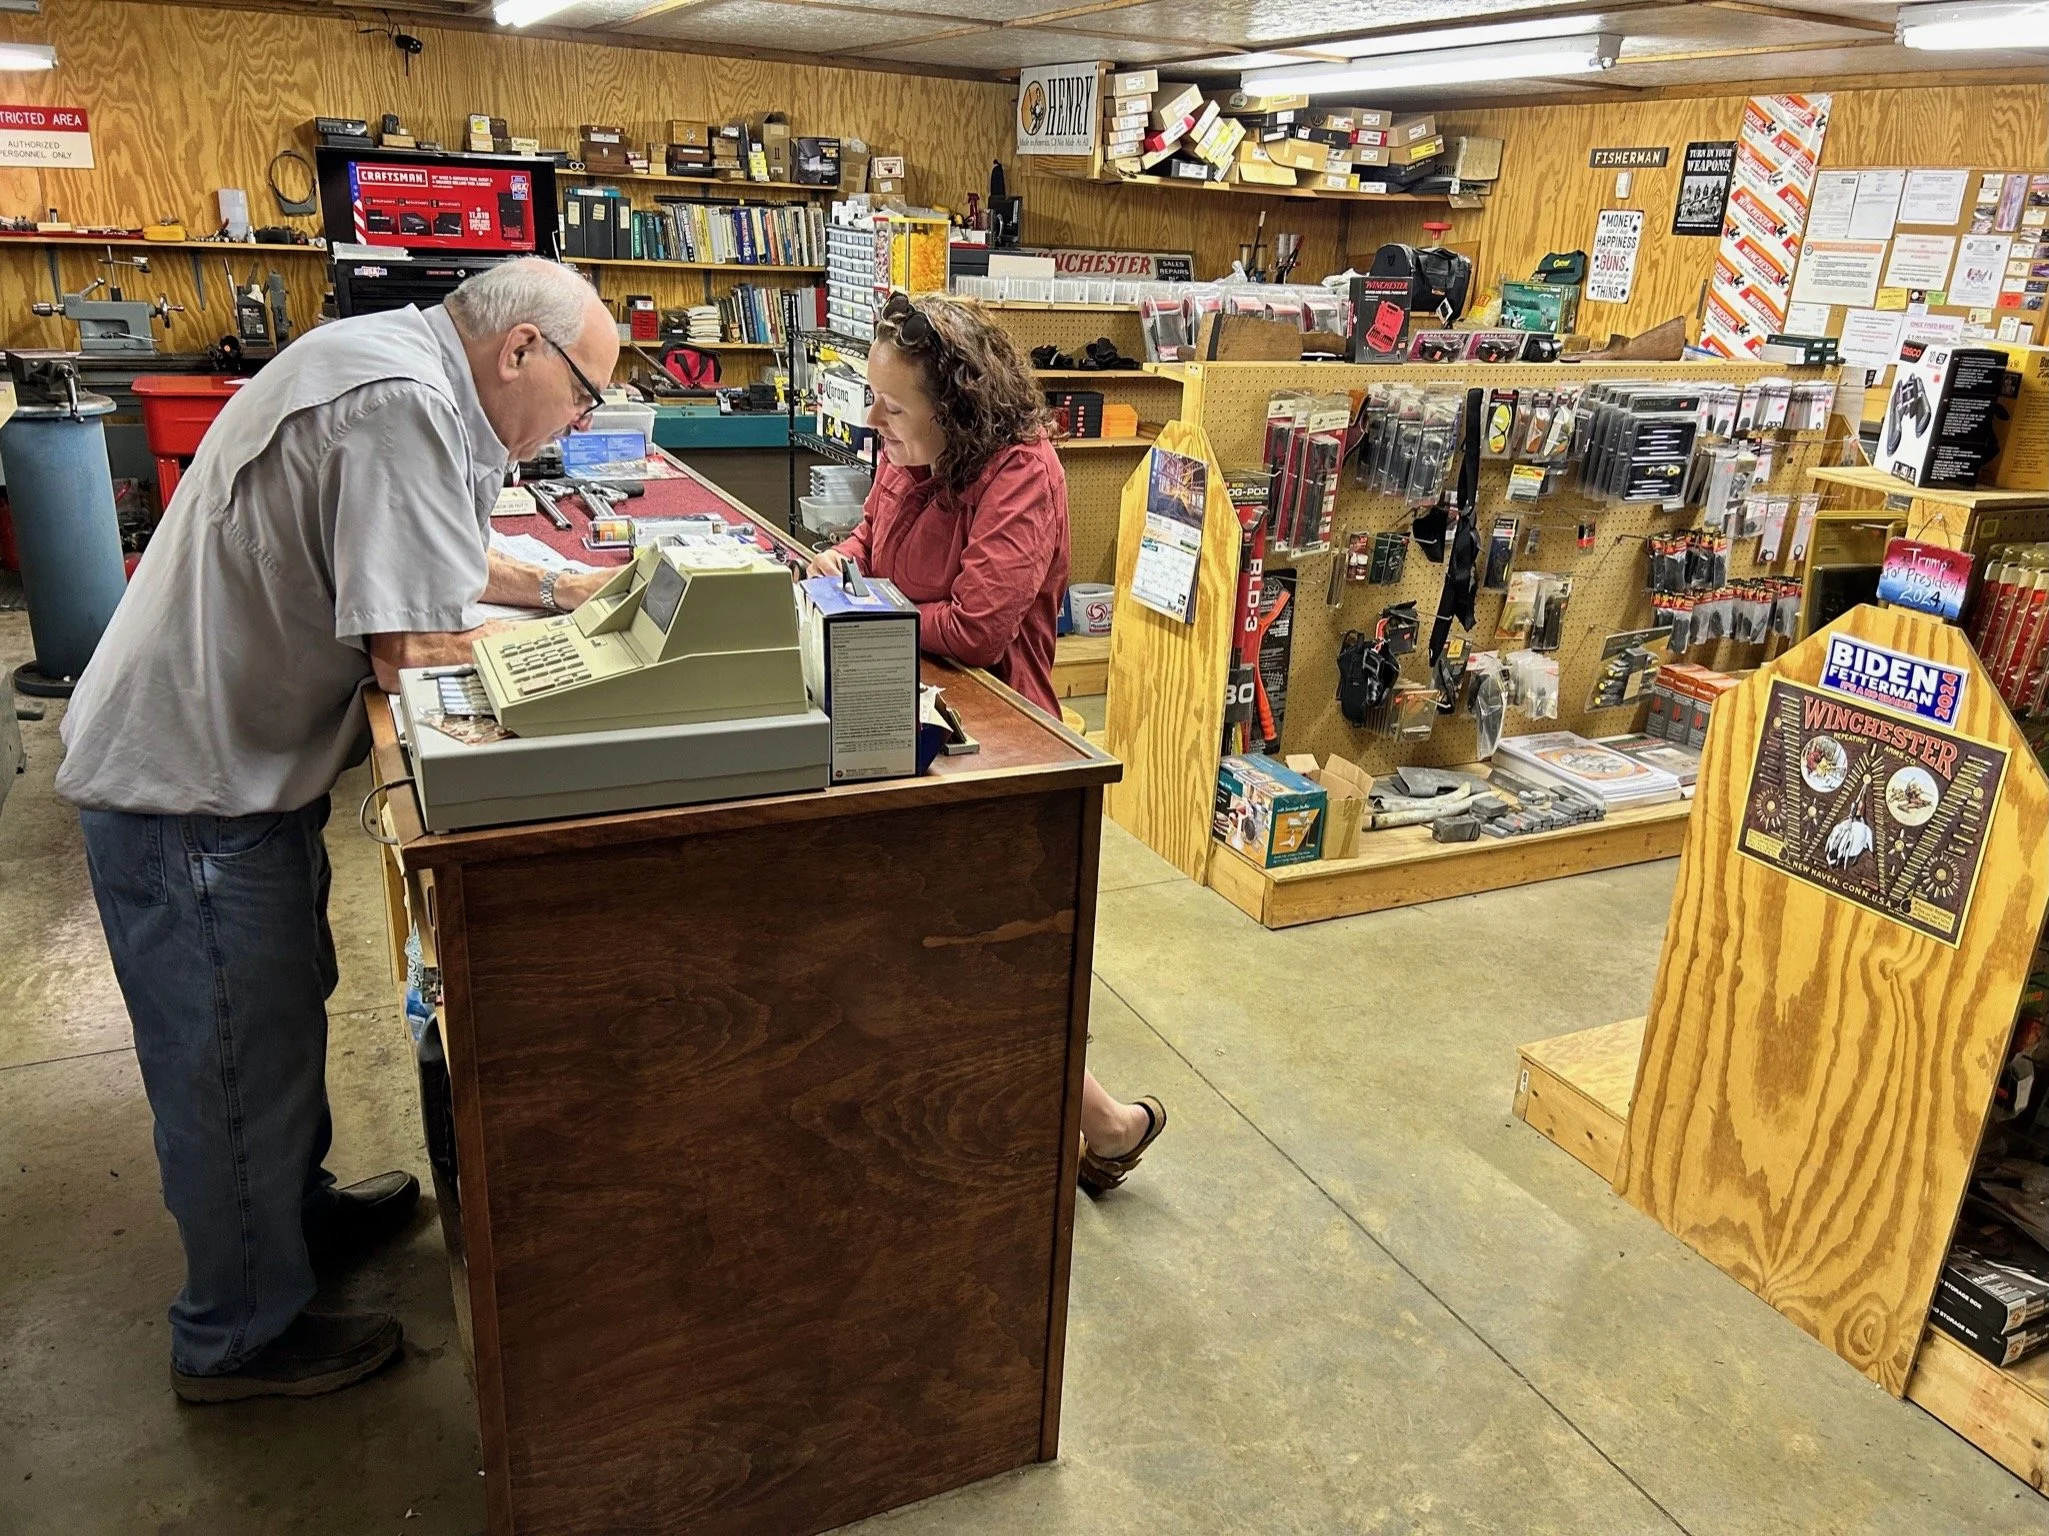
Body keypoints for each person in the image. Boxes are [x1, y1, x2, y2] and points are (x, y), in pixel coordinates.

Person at [56, 258, 621, 1402]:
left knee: (276, 1008)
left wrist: (572, 595)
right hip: (191, 791)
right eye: (583, 393)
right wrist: (612, 662)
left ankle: (289, 1218)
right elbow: (409, 648)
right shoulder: (403, 404)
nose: (580, 422)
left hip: (232, 766)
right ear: (520, 351)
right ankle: (237, 1336)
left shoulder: (408, 372)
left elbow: (437, 560)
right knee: (229, 1056)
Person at [806, 291, 1167, 1193]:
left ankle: (1098, 1126)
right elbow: (871, 534)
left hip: (1000, 740)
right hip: (903, 704)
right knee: (935, 945)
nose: (874, 419)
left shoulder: (1022, 471)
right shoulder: (906, 454)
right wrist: (840, 562)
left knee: (994, 955)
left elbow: (973, 627)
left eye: (894, 406)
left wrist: (868, 607)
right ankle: (1095, 1126)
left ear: (956, 406)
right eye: (873, 398)